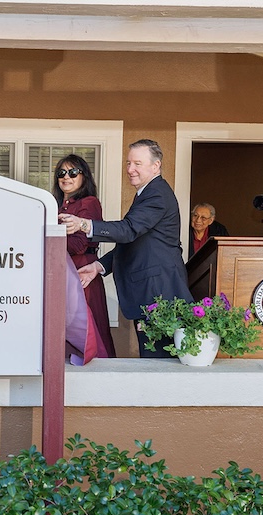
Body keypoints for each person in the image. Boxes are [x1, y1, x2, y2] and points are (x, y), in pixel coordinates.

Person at [65, 139, 192, 358]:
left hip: (159, 292)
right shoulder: (147, 192)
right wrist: (98, 266)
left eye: (137, 163)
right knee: (153, 359)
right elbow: (135, 242)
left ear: (156, 166)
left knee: (159, 363)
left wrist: (84, 224)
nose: (130, 169)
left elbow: (128, 230)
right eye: (128, 163)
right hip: (151, 291)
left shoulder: (157, 194)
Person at [54, 154, 116, 358]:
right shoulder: (57, 205)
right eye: (62, 172)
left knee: (88, 327)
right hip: (63, 272)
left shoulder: (89, 203)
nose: (66, 177)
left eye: (73, 172)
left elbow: (79, 245)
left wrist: (50, 238)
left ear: (84, 176)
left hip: (82, 272)